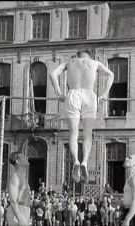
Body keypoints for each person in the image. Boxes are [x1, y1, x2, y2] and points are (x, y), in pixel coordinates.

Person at [50, 50, 114, 184]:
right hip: (90, 96)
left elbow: (53, 74)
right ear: (90, 56)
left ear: (77, 56)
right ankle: (84, 161)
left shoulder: (70, 62)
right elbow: (111, 75)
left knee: (73, 133)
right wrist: (104, 94)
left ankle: (75, 161)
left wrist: (59, 93)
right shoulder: (94, 63)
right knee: (87, 134)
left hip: (73, 94)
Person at [6, 151, 31, 226]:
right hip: (18, 211)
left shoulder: (22, 177)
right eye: (23, 156)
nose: (27, 158)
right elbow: (13, 200)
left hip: (23, 209)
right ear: (18, 161)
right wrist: (19, 218)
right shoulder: (15, 177)